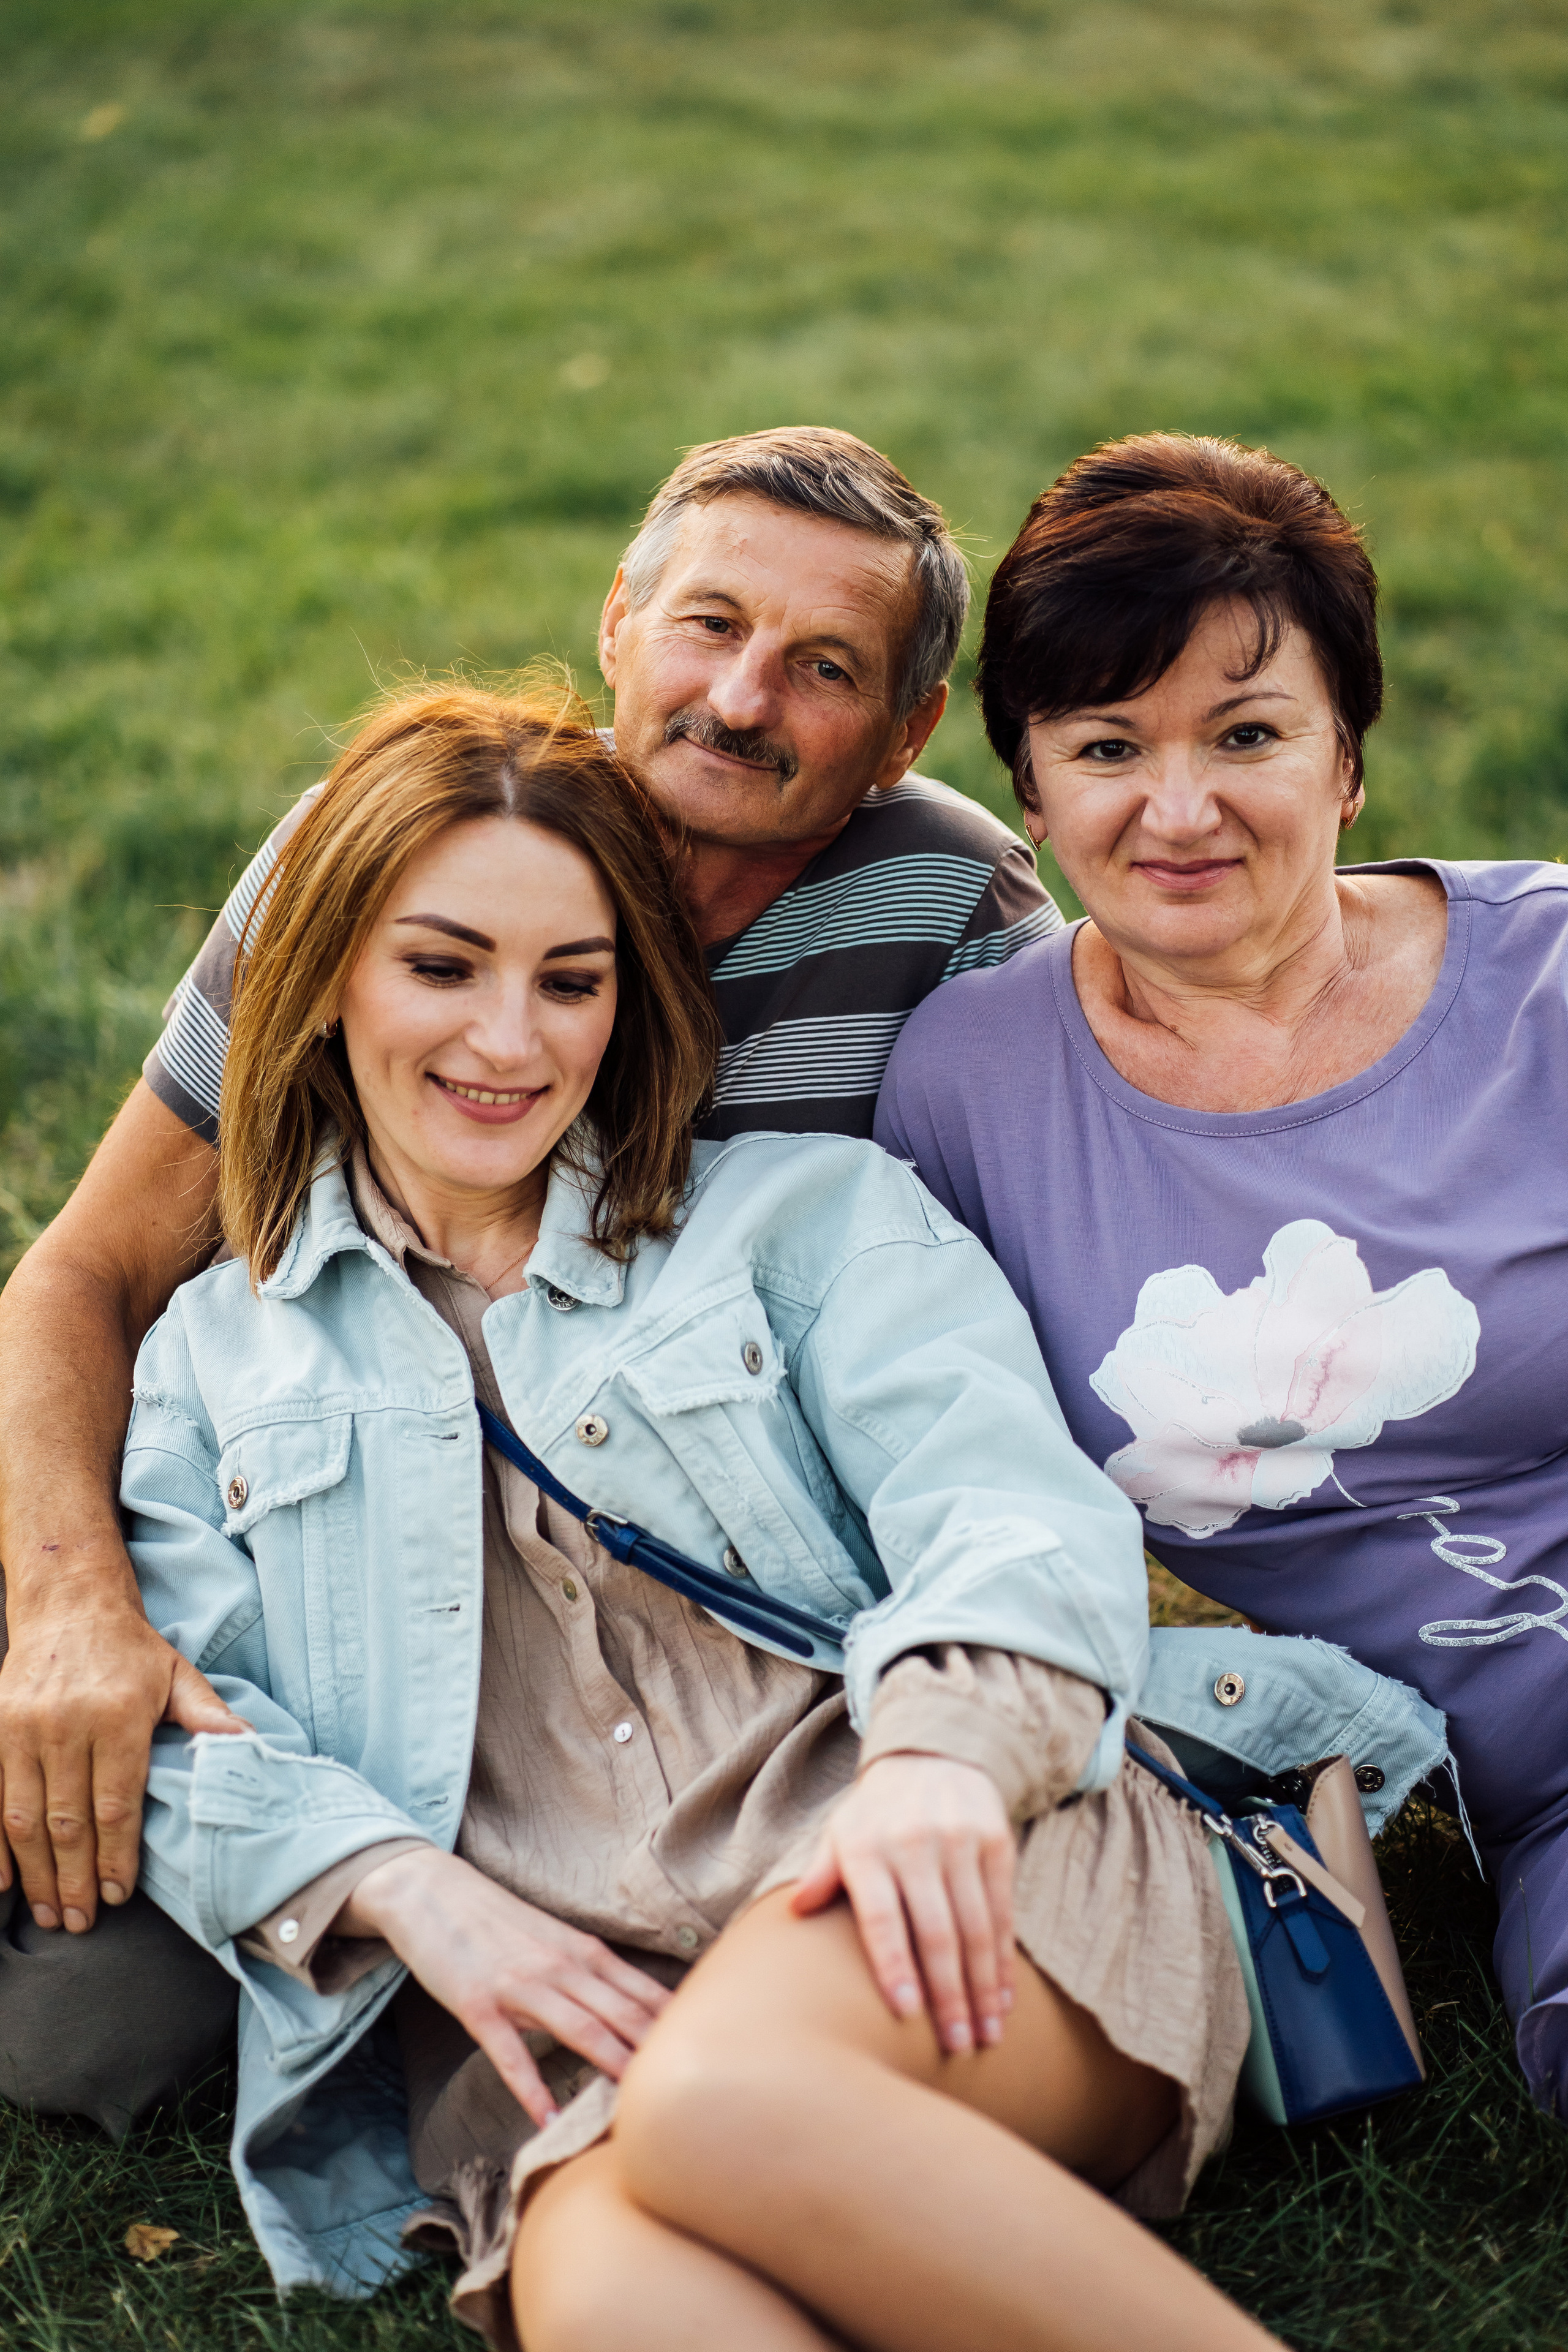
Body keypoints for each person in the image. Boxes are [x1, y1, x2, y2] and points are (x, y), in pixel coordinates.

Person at [121, 678, 1424, 2350]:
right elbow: (179, 1730)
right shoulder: (209, 1359)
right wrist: (398, 1886)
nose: (510, 1042)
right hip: (571, 2015)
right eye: (442, 968)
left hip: (941, 1862)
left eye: (569, 982)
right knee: (612, 2295)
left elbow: (1014, 1522)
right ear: (321, 990)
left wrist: (947, 1762)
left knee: (725, 2104)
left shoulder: (804, 1216)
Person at [0, 428, 1061, 2124]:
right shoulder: (399, 850)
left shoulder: (949, 901)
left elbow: (1020, 1311)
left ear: (905, 728)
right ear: (621, 623)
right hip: (338, 1491)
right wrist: (70, 1613)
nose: (738, 698)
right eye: (708, 627)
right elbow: (86, 1271)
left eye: (824, 668)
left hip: (696, 1578)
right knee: (80, 2026)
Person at [877, 428, 1568, 2121]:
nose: (1177, 809)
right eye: (1108, 746)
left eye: (1247, 734)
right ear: (1030, 794)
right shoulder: (966, 1089)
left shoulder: (1546, 983)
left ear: (1347, 759)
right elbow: (936, 1475)